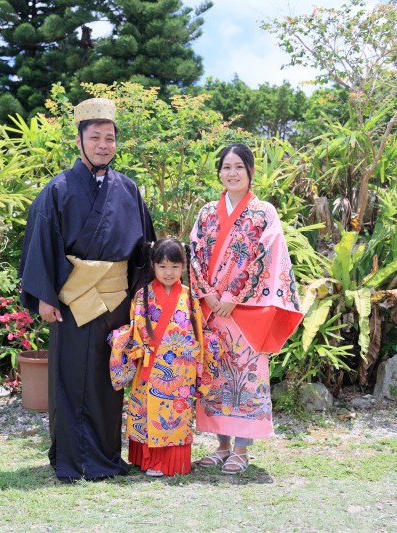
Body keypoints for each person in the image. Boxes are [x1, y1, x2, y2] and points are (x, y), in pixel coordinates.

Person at [18, 98, 156, 482]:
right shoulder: (58, 190)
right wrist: (45, 295)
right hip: (74, 303)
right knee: (70, 378)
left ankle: (106, 457)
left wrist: (148, 295)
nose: (103, 145)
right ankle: (72, 459)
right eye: (94, 137)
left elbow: (144, 248)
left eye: (109, 138)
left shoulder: (128, 190)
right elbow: (41, 241)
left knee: (109, 380)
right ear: (78, 141)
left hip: (116, 302)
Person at [189, 143, 305, 474]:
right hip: (211, 309)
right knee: (216, 378)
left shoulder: (264, 212)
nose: (232, 173)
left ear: (251, 171)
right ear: (219, 173)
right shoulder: (207, 212)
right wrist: (208, 293)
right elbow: (195, 251)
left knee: (246, 378)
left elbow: (266, 255)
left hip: (245, 309)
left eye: (239, 166)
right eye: (226, 167)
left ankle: (242, 449)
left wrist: (233, 296)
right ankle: (222, 446)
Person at [108, 238, 219, 477]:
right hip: (149, 366)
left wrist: (197, 356)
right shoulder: (142, 296)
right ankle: (146, 459)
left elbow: (198, 334)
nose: (169, 272)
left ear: (183, 266)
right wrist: (129, 346)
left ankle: (169, 462)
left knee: (174, 414)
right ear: (152, 265)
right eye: (162, 266)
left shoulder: (190, 297)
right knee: (147, 412)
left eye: (175, 266)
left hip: (180, 370)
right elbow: (136, 329)